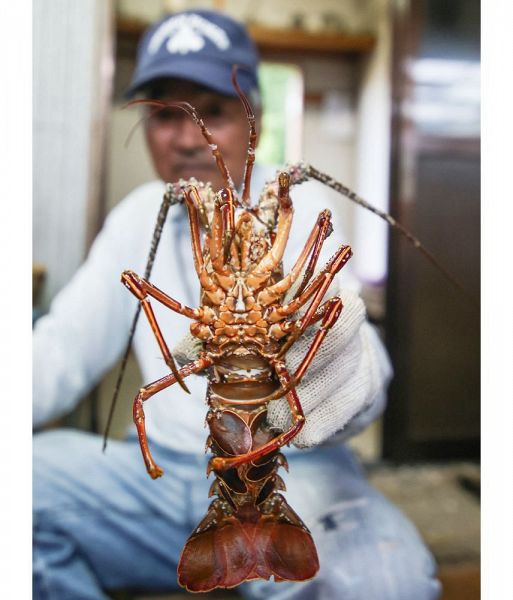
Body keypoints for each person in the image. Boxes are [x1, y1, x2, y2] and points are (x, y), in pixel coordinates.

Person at [33, 9, 441, 600]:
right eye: (165, 114)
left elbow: (365, 354)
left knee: (387, 580)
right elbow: (58, 352)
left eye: (213, 111)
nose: (187, 136)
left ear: (256, 119)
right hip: (162, 470)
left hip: (296, 465)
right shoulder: (140, 213)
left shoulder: (294, 212)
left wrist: (345, 367)